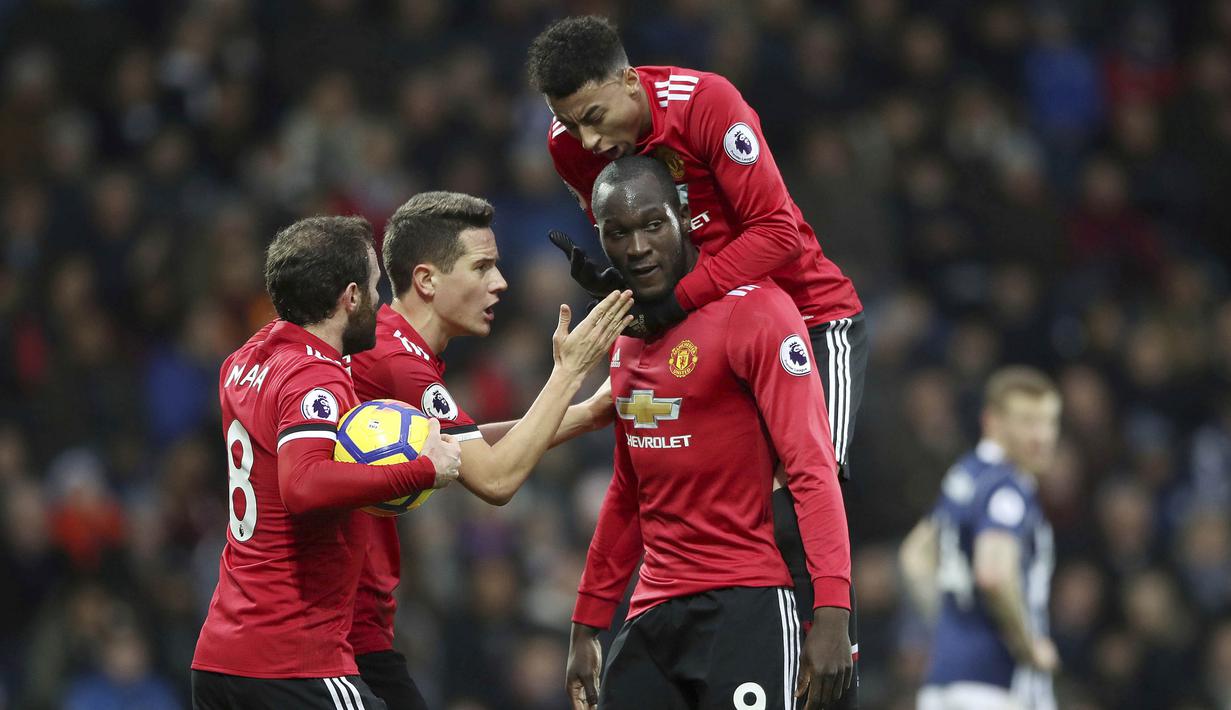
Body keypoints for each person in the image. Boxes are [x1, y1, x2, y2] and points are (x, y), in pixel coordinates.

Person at [527, 19, 867, 701]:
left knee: (800, 486)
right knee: (661, 465)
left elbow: (774, 231)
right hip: (700, 323)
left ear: (630, 81)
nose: (588, 141)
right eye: (570, 124)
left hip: (805, 313)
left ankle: (827, 656)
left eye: (595, 116)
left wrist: (677, 299)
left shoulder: (707, 105)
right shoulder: (570, 147)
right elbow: (623, 218)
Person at [564, 156, 852, 710]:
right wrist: (587, 623)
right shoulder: (626, 341)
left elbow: (812, 467)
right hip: (652, 612)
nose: (638, 248)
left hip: (745, 606)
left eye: (653, 224)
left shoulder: (756, 312)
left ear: (684, 215)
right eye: (618, 233)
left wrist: (832, 612)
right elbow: (629, 491)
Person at [344, 191, 632, 709]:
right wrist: (567, 374)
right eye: (482, 267)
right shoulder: (396, 361)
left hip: (359, 626)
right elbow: (495, 480)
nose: (500, 283)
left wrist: (587, 414)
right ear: (427, 280)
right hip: (341, 629)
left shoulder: (392, 346)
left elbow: (464, 445)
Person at [190, 216, 463, 709]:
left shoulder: (244, 361)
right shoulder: (315, 377)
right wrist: (423, 469)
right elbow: (304, 485)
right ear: (351, 297)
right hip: (293, 660)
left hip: (220, 659)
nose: (381, 303)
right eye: (377, 288)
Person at [899, 367, 1061, 710]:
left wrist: (950, 628)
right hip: (993, 684)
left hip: (944, 679)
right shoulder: (1008, 487)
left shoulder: (965, 475)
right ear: (993, 421)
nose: (1043, 436)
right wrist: (1028, 644)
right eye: (1028, 421)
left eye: (1049, 421)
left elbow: (914, 557)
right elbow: (993, 574)